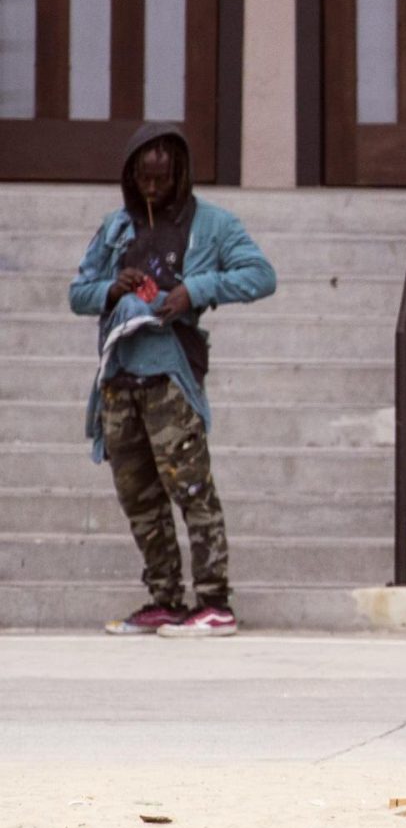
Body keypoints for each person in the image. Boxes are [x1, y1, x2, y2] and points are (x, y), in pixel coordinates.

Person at [67, 123, 276, 637]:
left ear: (180, 174)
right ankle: (164, 598)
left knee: (191, 488)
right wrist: (111, 290)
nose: (152, 188)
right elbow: (77, 293)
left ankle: (215, 602)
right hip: (119, 380)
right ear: (131, 177)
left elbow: (261, 276)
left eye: (161, 178)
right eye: (143, 179)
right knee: (138, 496)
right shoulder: (116, 227)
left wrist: (194, 291)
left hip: (171, 378)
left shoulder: (213, 225)